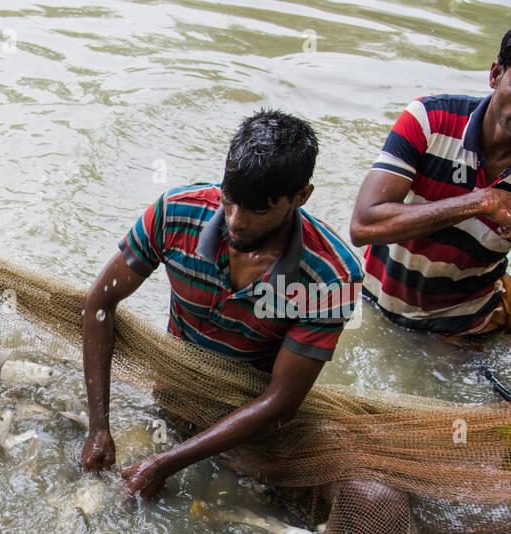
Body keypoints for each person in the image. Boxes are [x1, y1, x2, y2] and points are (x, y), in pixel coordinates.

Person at [80, 109, 362, 500]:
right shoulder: (175, 213)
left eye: (257, 210)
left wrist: (166, 463)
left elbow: (281, 401)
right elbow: (99, 304)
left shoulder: (332, 277)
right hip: (175, 393)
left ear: (301, 196)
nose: (235, 222)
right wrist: (99, 427)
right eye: (229, 202)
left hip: (251, 418)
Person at [350, 29, 511, 338]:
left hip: (467, 317)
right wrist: (482, 202)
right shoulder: (431, 119)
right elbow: (363, 226)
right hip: (375, 298)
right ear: (495, 74)